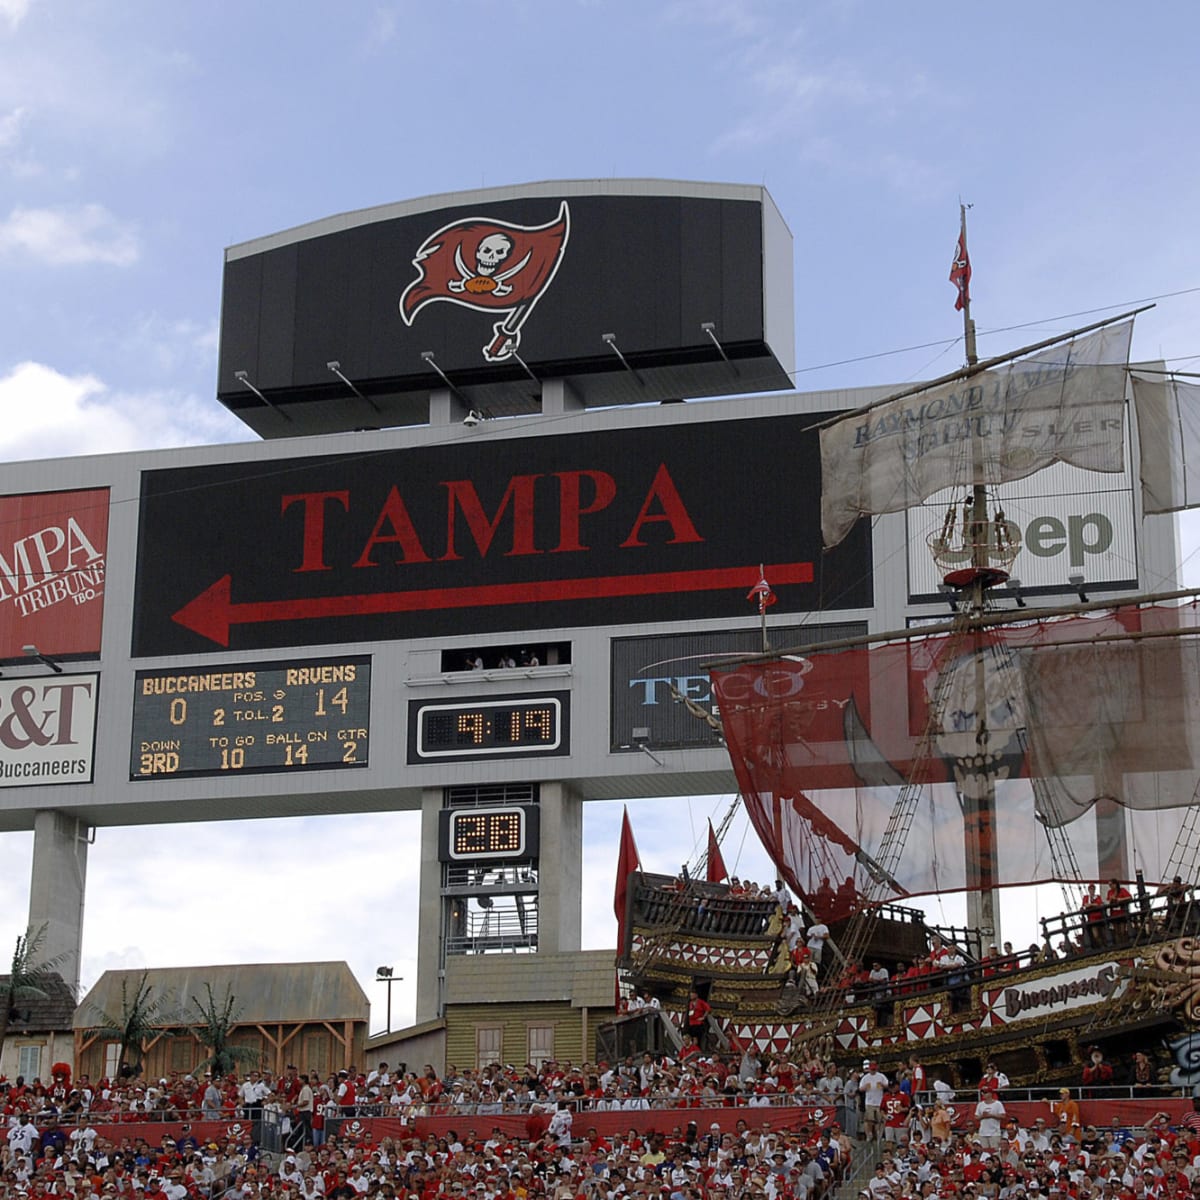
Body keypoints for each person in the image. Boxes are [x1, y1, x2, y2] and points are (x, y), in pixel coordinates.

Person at [860, 1060, 889, 1141]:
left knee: (879, 1120)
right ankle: (869, 1135)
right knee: (869, 1120)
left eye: (874, 1069)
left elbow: (887, 1085)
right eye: (871, 1069)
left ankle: (879, 1135)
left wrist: (883, 1085)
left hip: (879, 1101)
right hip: (869, 1102)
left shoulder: (881, 1076)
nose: (873, 1071)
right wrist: (864, 1087)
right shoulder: (865, 1078)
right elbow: (860, 1088)